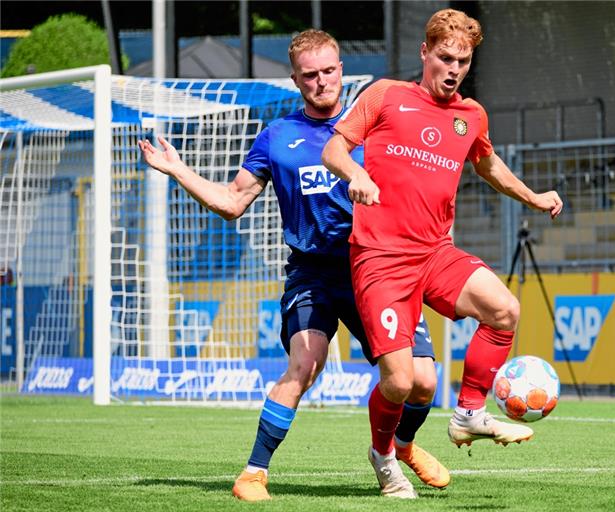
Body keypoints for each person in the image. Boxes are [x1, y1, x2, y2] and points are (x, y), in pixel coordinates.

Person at [139, 29, 449, 501]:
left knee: (423, 382)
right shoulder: (277, 136)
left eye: (329, 71)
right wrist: (180, 170)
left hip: (378, 270)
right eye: (310, 75)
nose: (322, 82)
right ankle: (253, 472)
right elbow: (231, 201)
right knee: (305, 362)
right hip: (313, 274)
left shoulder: (380, 125)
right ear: (295, 80)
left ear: (342, 70)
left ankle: (400, 448)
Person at [322, 8, 564, 498]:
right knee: (402, 381)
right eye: (445, 58)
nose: (453, 69)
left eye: (463, 61)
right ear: (425, 53)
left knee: (504, 310)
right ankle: (383, 456)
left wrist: (534, 197)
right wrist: (358, 175)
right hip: (380, 258)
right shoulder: (386, 95)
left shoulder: (470, 115)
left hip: (434, 253)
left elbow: (488, 164)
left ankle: (469, 412)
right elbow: (334, 151)